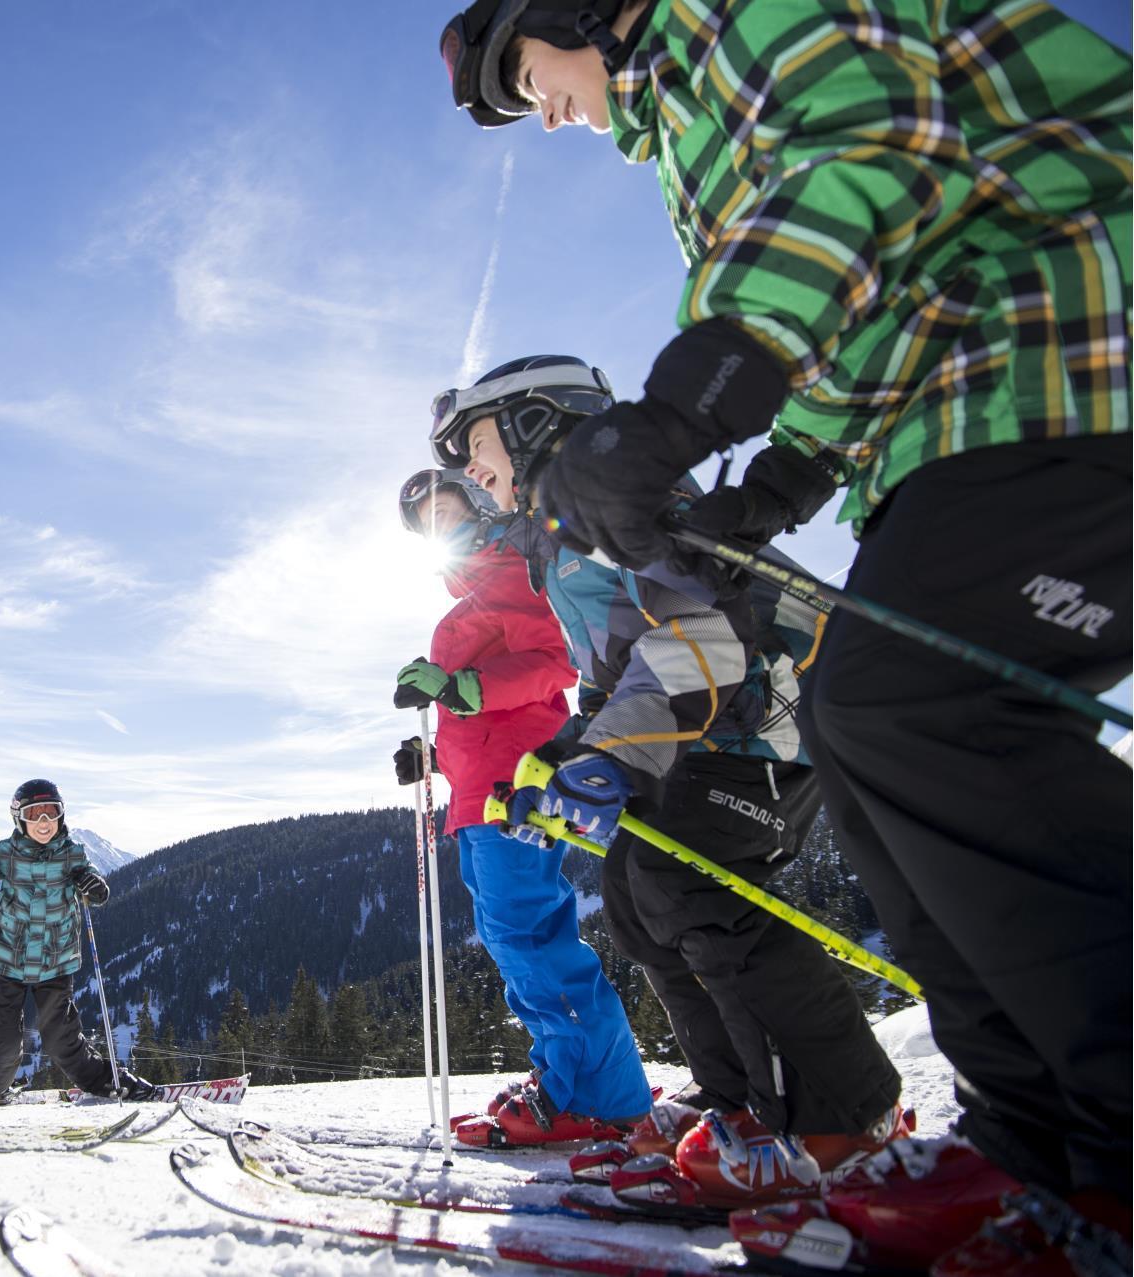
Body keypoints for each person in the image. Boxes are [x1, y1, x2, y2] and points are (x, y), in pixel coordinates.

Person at [438, 1, 1130, 1269]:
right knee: (872, 731)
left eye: (527, 74)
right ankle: (1044, 1153)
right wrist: (785, 479)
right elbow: (898, 289)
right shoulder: (692, 129)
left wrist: (686, 407)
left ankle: (1047, 1144)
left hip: (1079, 351)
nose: (542, 110)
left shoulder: (736, 19)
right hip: (968, 401)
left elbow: (856, 161)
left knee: (917, 715)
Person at [429, 356, 905, 1207]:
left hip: (776, 714)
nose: (467, 467)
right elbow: (616, 676)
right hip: (705, 729)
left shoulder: (614, 491)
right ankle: (739, 1103)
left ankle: (843, 1115)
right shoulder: (557, 531)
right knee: (640, 899)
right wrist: (571, 753)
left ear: (538, 420)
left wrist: (608, 756)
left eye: (476, 440)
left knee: (689, 883)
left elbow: (705, 637)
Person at [390, 469, 651, 1145]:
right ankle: (571, 1078)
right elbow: (480, 715)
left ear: (478, 505)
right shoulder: (469, 597)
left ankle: (594, 1095)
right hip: (479, 793)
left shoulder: (511, 569)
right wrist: (434, 757)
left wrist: (460, 684)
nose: (439, 529)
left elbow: (554, 661)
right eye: (428, 526)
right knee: (515, 941)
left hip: (517, 790)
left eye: (447, 511)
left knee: (530, 938)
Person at [0, 779, 154, 1108]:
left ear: (61, 816)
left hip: (56, 963)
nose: (43, 822)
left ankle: (109, 1082)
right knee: (6, 1045)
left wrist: (94, 887)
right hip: (8, 961)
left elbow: (95, 883)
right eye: (34, 814)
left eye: (50, 813)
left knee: (60, 1039)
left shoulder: (74, 854)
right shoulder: (4, 853)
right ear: (19, 819)